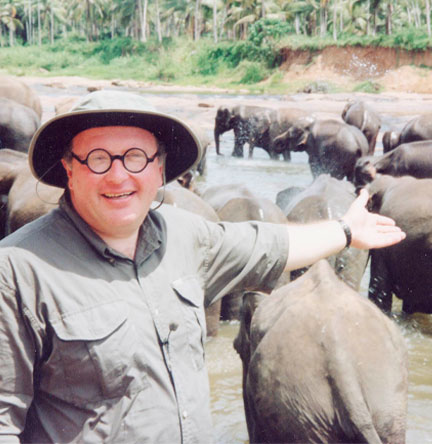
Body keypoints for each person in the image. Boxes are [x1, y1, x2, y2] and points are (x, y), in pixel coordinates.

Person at [0, 90, 406, 443]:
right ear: (69, 168)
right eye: (98, 158)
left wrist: (346, 230)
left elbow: (270, 245)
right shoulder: (17, 271)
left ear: (160, 169)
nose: (119, 174)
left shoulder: (186, 236)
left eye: (136, 157)